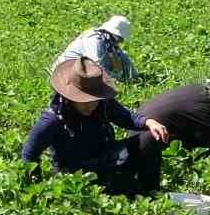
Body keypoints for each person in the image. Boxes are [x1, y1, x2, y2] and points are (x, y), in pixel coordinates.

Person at [21, 58, 170, 195]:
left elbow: (126, 117)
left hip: (108, 156)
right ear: (70, 97)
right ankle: (126, 186)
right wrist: (38, 190)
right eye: (85, 100)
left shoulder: (102, 103)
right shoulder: (52, 120)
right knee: (125, 187)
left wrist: (148, 122)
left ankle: (151, 192)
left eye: (95, 99)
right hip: (77, 174)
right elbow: (30, 154)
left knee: (150, 137)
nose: (92, 104)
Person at [137, 75, 210, 153]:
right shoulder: (204, 109)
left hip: (138, 125)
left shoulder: (200, 92)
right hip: (146, 141)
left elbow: (197, 121)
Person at [49, 15, 137, 83]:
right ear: (114, 34)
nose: (120, 42)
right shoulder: (94, 41)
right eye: (120, 39)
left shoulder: (109, 41)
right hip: (63, 72)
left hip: (81, 69)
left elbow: (123, 58)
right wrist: (115, 81)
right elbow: (98, 67)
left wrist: (133, 75)